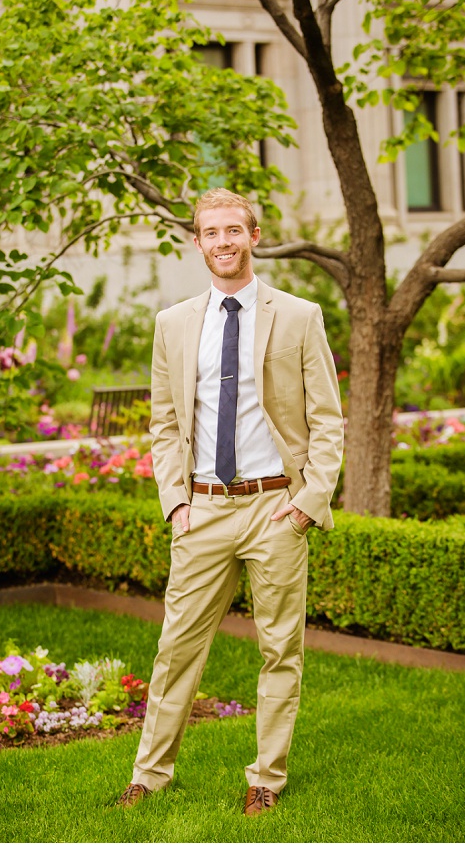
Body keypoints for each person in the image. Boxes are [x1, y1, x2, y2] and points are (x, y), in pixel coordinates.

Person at [117, 188, 344, 816]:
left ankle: (265, 781)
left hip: (275, 508)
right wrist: (176, 502)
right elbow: (165, 423)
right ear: (197, 242)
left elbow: (328, 421)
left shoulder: (298, 316)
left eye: (234, 231)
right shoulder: (173, 323)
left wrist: (306, 504)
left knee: (280, 651)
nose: (223, 242)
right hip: (204, 511)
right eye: (211, 232)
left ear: (254, 236)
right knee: (175, 650)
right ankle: (149, 776)